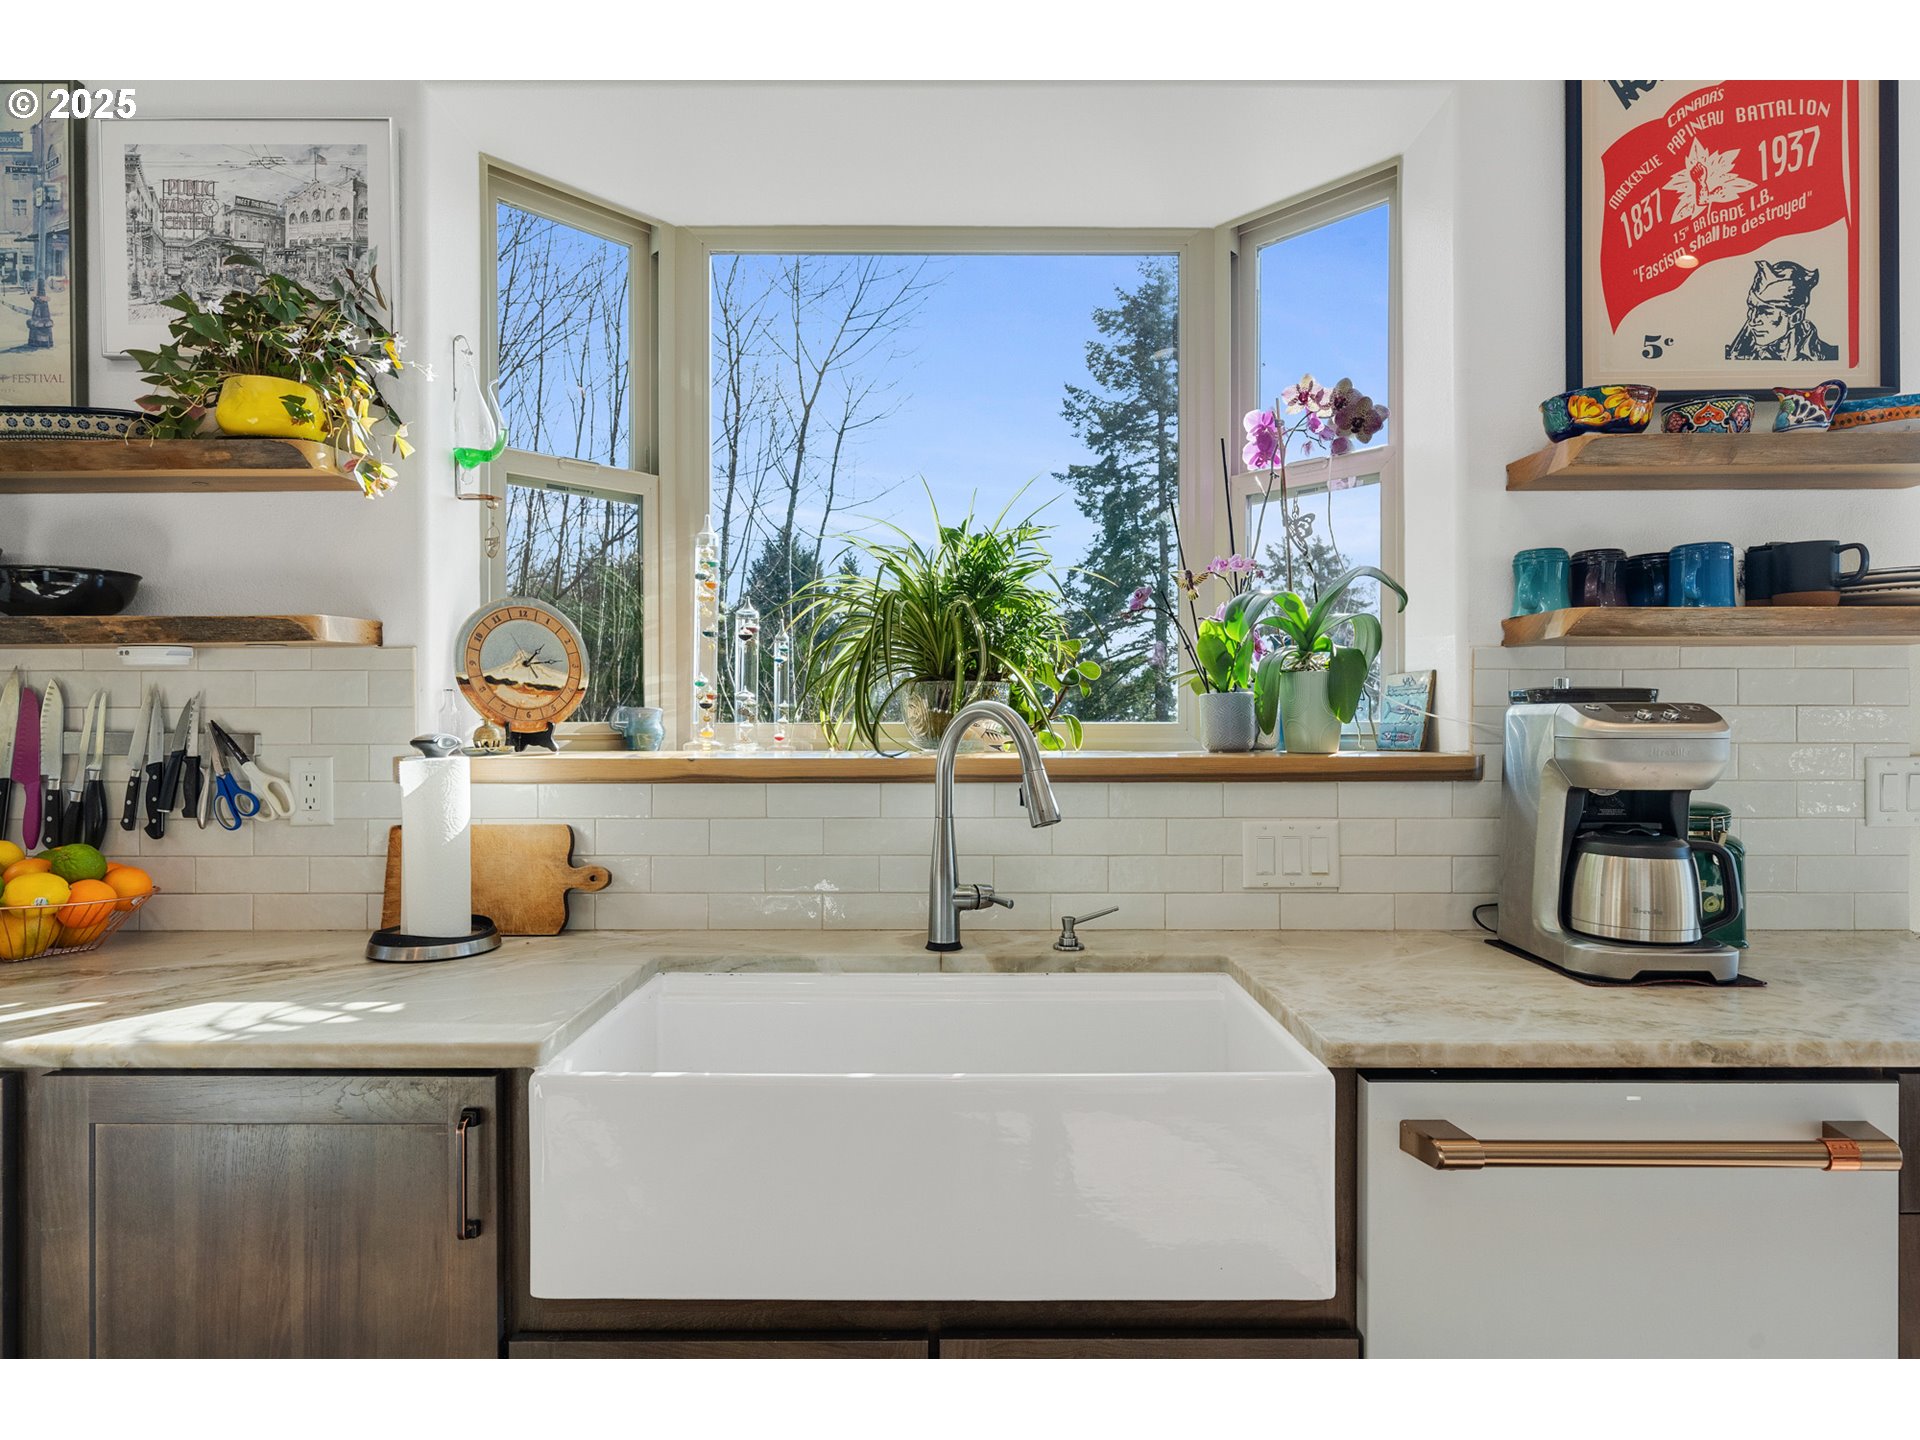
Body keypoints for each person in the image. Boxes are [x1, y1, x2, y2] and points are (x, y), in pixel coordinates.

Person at [1725, 259, 1839, 362]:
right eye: (1751, 308)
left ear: (1796, 317)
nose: (1752, 321)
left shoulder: (1828, 356)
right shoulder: (1737, 354)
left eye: (1766, 312)